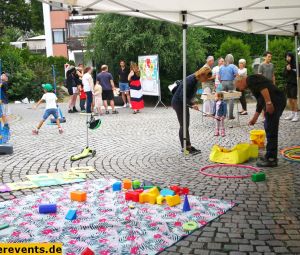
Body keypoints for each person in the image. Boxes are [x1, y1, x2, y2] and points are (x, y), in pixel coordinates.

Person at [235, 74, 286, 167]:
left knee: (271, 129)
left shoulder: (250, 79)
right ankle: (269, 156)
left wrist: (269, 103)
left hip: (275, 101)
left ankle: (271, 159)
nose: (241, 90)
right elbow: (260, 101)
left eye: (238, 87)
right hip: (277, 100)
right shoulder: (252, 83)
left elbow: (264, 88)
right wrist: (254, 118)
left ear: (240, 81)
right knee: (268, 126)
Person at [171, 66, 212, 154]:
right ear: (202, 74)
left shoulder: (195, 79)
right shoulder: (190, 80)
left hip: (182, 102)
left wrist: (192, 102)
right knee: (183, 125)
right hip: (178, 103)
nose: (205, 80)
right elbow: (182, 95)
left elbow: (187, 95)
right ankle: (185, 148)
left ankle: (188, 145)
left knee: (186, 125)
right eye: (205, 78)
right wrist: (192, 104)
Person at [219, 54, 238, 119]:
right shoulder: (233, 66)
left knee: (222, 98)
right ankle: (230, 115)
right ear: (232, 59)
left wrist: (222, 82)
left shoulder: (221, 67)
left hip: (223, 82)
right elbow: (237, 74)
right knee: (231, 98)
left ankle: (222, 114)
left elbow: (219, 77)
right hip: (230, 82)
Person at [283, 52, 299, 122]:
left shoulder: (297, 65)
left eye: (289, 56)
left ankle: (296, 115)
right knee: (289, 100)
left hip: (295, 84)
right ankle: (292, 114)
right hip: (288, 84)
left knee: (294, 99)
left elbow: (298, 74)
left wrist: (291, 70)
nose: (287, 58)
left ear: (292, 57)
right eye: (286, 57)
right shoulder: (287, 65)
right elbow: (284, 75)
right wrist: (287, 70)